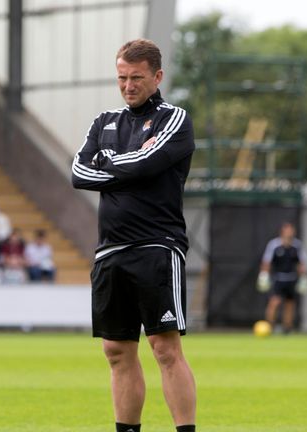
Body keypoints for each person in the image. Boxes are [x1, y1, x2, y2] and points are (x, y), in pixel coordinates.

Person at [71, 39, 196, 432]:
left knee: (164, 347)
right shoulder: (103, 121)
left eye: (136, 78)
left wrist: (108, 163)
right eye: (122, 77)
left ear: (157, 76)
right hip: (110, 250)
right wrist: (127, 164)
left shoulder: (174, 119)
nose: (128, 85)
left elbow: (147, 162)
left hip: (157, 245)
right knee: (116, 351)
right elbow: (78, 172)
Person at [258, 222, 307, 334]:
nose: (290, 232)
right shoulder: (274, 245)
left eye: (291, 230)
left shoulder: (297, 246)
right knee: (274, 302)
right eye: (287, 230)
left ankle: (287, 328)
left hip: (291, 278)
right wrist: (263, 275)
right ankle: (270, 326)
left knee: (290, 304)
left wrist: (304, 278)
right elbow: (267, 261)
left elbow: (301, 263)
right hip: (278, 278)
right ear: (282, 232)